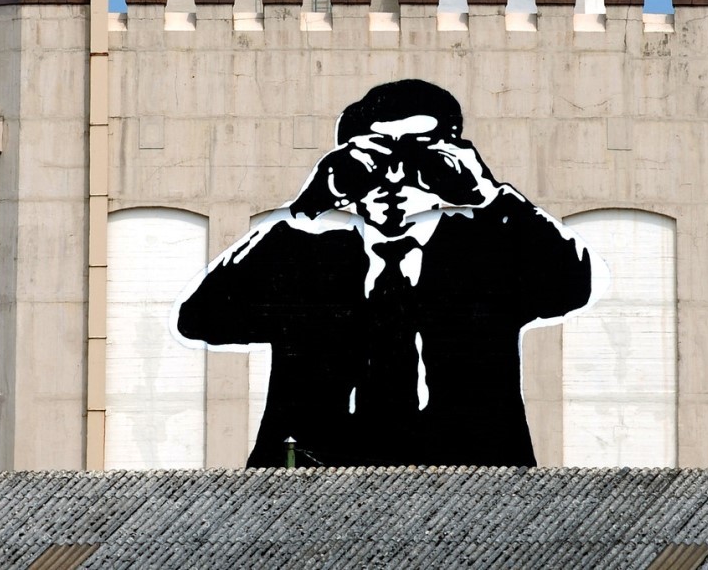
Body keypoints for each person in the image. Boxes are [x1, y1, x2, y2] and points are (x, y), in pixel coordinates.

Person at [175, 79, 599, 467]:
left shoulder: (487, 252)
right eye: (374, 160)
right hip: (312, 485)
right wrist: (306, 208)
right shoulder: (304, 256)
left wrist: (489, 195)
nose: (393, 177)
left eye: (419, 157)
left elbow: (573, 284)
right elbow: (202, 318)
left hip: (473, 484)